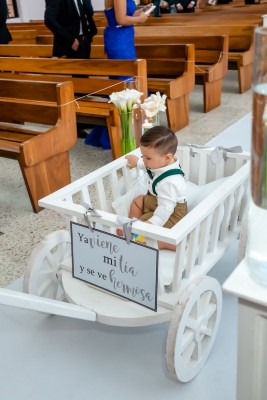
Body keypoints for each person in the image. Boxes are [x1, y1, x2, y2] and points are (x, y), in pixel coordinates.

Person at [117, 126, 187, 250]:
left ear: (167, 157)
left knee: (146, 241)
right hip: (156, 200)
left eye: (147, 158)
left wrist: (149, 225)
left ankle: (168, 243)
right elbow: (148, 166)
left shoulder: (169, 183)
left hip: (171, 212)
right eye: (143, 156)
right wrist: (138, 162)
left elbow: (165, 210)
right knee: (138, 200)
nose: (144, 160)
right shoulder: (161, 163)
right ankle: (132, 224)